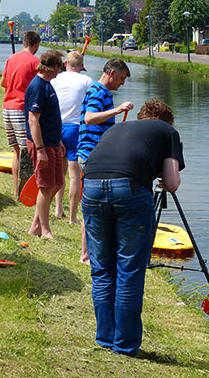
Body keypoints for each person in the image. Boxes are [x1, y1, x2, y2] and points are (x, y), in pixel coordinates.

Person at [81, 98, 185, 357]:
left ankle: (105, 337)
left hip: (91, 185)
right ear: (167, 122)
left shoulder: (117, 129)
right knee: (129, 270)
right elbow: (171, 184)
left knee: (102, 268)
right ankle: (125, 345)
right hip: (128, 190)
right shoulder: (168, 132)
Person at [76, 57, 134, 262]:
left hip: (96, 156)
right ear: (111, 73)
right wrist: (117, 110)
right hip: (91, 156)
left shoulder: (103, 93)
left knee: (96, 206)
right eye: (121, 78)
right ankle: (86, 255)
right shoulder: (97, 92)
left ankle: (94, 253)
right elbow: (89, 118)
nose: (122, 83)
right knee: (92, 207)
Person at [24, 50, 66, 239]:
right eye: (61, 67)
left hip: (53, 142)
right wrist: (40, 150)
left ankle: (35, 225)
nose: (62, 70)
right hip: (43, 144)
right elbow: (33, 119)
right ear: (55, 67)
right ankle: (44, 229)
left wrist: (58, 141)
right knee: (45, 186)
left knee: (57, 183)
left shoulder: (48, 85)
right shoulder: (38, 86)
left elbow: (50, 117)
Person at [51, 51, 93, 224]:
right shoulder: (87, 81)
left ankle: (58, 208)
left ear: (65, 63)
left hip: (57, 128)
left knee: (59, 172)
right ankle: (73, 217)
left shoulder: (54, 80)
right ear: (81, 66)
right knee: (74, 176)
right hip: (76, 128)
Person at [1, 31, 40, 198]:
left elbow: (3, 82)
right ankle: (27, 193)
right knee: (28, 152)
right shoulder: (35, 61)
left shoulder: (11, 59)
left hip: (7, 108)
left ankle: (17, 190)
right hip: (21, 109)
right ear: (36, 45)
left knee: (17, 152)